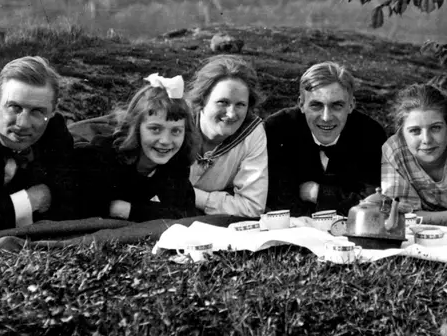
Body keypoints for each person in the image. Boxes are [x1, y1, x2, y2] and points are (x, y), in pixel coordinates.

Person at [0, 56, 79, 233]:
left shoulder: (55, 129)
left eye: (37, 111)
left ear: (53, 110)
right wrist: (31, 200)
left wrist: (0, 209)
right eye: (14, 107)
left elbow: (67, 197)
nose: (23, 124)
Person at [264, 61, 387, 217]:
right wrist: (341, 198)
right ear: (301, 104)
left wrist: (318, 193)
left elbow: (372, 203)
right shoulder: (278, 129)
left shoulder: (370, 133)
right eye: (316, 105)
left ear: (351, 105)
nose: (326, 117)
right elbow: (278, 201)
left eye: (336, 105)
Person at [71, 74, 198, 222]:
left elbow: (184, 215)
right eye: (155, 129)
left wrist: (124, 209)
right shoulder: (105, 156)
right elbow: (86, 204)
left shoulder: (176, 165)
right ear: (136, 128)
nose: (165, 141)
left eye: (176, 131)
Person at [185, 55, 269, 219]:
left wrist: (195, 197)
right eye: (222, 102)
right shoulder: (179, 122)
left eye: (240, 105)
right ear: (202, 99)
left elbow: (252, 207)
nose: (231, 114)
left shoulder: (252, 132)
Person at [379, 83, 447, 225]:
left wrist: (415, 217)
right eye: (415, 131)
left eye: (435, 128)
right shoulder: (394, 150)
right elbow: (396, 215)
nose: (426, 140)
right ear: (401, 133)